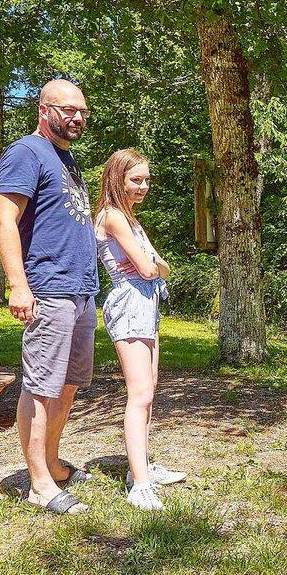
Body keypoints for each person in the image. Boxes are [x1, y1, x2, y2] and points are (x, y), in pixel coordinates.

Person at [0, 79, 98, 515]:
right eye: (67, 109)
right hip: (49, 288)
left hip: (81, 289)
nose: (76, 118)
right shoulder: (26, 152)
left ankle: (53, 464)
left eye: (82, 112)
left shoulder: (67, 159)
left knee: (69, 384)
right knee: (41, 386)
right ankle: (38, 483)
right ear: (42, 109)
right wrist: (18, 284)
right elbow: (4, 220)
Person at [95, 148, 185, 511]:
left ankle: (140, 468)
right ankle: (140, 486)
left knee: (150, 389)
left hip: (147, 304)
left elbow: (159, 267)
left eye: (147, 179)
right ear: (117, 178)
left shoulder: (131, 219)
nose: (144, 186)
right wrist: (153, 265)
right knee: (140, 393)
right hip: (129, 304)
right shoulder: (113, 216)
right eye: (136, 179)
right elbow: (150, 269)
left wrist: (154, 265)